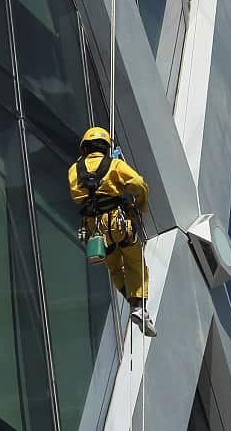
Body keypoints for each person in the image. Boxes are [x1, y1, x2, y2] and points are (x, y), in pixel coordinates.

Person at [68, 126, 156, 336]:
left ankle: (130, 300)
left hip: (95, 231)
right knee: (135, 263)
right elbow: (138, 182)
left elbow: (78, 197)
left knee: (115, 268)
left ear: (85, 148)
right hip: (117, 224)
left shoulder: (74, 170)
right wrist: (140, 203)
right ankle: (139, 307)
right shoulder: (114, 165)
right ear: (106, 147)